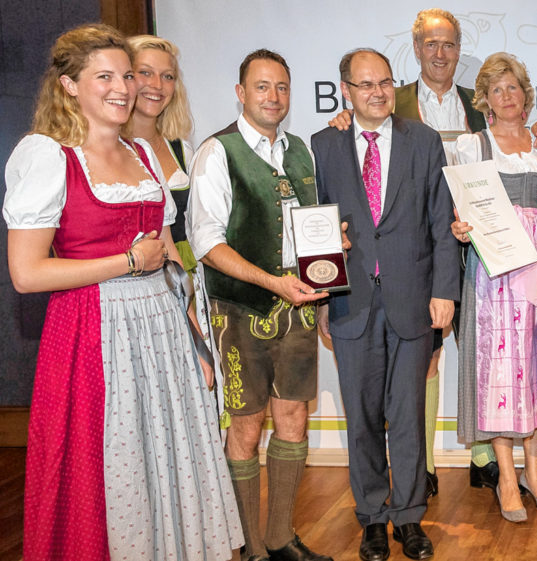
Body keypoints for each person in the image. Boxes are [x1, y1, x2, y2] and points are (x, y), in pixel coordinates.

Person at [4, 23, 242, 560]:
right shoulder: (49, 156)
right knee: (113, 463)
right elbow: (27, 273)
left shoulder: (144, 152)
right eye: (104, 76)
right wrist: (126, 261)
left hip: (162, 328)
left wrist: (197, 338)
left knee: (167, 458)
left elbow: (170, 255)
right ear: (68, 85)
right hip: (94, 329)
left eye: (126, 75)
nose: (123, 87)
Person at [329, 8, 537, 495]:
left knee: (487, 356)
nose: (440, 53)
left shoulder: (479, 115)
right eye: (431, 44)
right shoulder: (392, 101)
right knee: (427, 360)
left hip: (476, 247)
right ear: (415, 50)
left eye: (449, 44)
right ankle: (424, 467)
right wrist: (346, 118)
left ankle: (483, 460)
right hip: (419, 251)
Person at [311, 48, 460, 561]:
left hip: (413, 302)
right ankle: (373, 517)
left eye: (385, 83)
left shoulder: (423, 141)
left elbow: (442, 222)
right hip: (351, 304)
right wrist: (323, 300)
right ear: (346, 90)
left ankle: (410, 517)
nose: (377, 92)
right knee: (363, 418)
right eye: (365, 84)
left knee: (409, 415)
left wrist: (446, 292)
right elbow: (315, 228)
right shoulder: (323, 145)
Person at [187, 49, 333, 561]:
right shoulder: (217, 152)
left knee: (293, 419)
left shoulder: (300, 152)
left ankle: (280, 539)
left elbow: (308, 229)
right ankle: (248, 545)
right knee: (247, 427)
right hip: (240, 310)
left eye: (283, 88)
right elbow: (206, 242)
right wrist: (272, 282)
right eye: (263, 86)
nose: (274, 97)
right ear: (241, 92)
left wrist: (330, 259)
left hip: (299, 306)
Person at [448, 52, 537, 522]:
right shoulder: (474, 146)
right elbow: (460, 210)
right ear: (485, 100)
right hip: (494, 275)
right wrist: (460, 227)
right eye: (497, 90)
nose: (507, 96)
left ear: (526, 93)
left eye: (513, 87)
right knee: (499, 372)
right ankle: (508, 480)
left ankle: (535, 471)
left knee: (534, 369)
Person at [125, 35, 197, 276]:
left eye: (168, 76)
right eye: (145, 72)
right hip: (125, 278)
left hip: (183, 270)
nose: (157, 85)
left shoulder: (181, 150)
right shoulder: (103, 149)